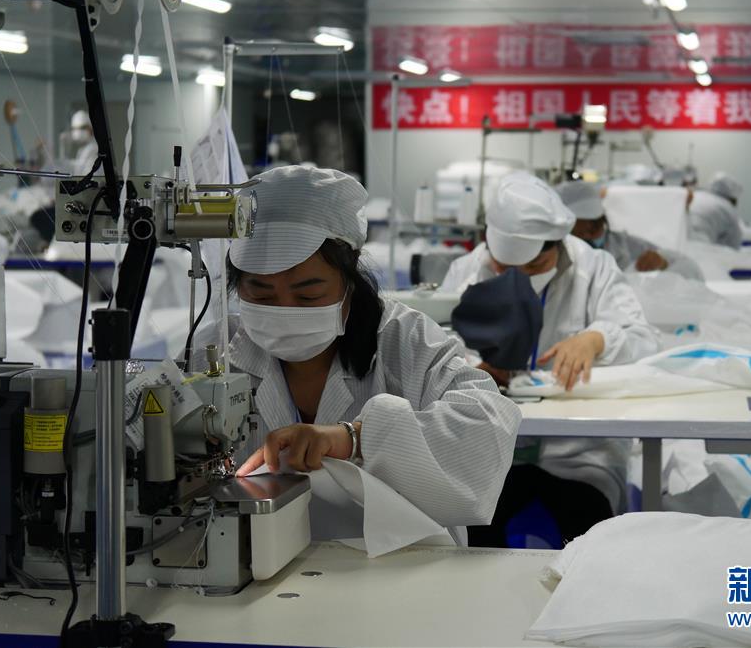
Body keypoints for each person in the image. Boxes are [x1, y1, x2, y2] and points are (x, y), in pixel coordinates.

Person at [210, 165, 519, 540]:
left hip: (403, 563)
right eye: (261, 295)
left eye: (308, 295)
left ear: (349, 277)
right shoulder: (216, 350)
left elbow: (488, 427)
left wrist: (357, 438)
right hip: (256, 560)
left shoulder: (404, 339)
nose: (286, 310)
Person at [440, 172, 659, 546]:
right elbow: (436, 343)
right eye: (505, 268)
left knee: (589, 535)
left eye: (533, 267)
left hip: (578, 452)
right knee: (471, 535)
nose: (519, 278)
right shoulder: (468, 271)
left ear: (557, 246)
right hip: (492, 449)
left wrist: (596, 339)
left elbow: (643, 340)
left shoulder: (593, 269)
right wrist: (472, 367)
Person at [556, 179, 704, 281]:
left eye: (595, 221)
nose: (589, 228)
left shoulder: (628, 246)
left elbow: (692, 271)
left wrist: (663, 263)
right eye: (580, 223)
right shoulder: (554, 253)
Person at [688, 171, 743, 249]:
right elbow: (733, 246)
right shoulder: (728, 209)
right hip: (699, 247)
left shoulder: (695, 195)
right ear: (733, 197)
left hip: (676, 242)